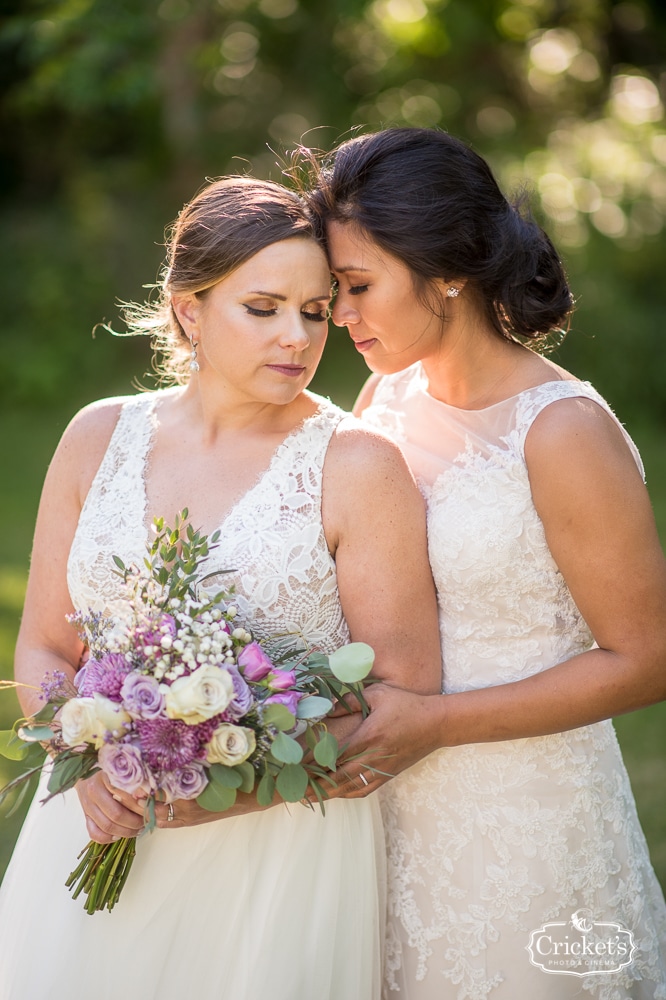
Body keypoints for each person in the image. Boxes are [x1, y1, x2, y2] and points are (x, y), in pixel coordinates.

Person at [0, 175, 442, 1000]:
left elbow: (404, 693)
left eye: (316, 311)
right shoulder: (97, 435)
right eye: (263, 307)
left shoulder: (358, 466)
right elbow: (48, 643)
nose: (298, 337)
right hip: (98, 817)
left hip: (274, 849)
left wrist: (233, 789)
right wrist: (83, 766)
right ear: (188, 309)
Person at [306, 127, 666, 998]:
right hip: (390, 809)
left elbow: (647, 658)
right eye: (335, 291)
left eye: (357, 288)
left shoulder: (561, 430)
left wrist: (436, 723)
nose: (340, 315)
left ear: (449, 272)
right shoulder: (385, 397)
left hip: (527, 818)